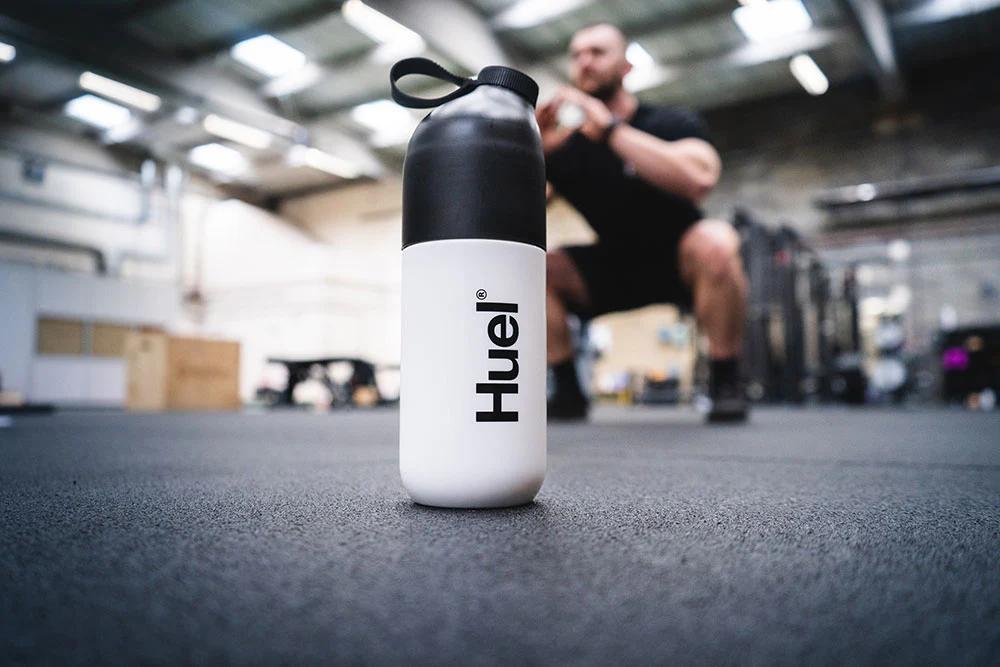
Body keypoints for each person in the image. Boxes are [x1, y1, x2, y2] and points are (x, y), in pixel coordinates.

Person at [538, 22, 748, 423]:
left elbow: (700, 178)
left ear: (627, 67)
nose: (585, 61)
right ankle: (566, 389)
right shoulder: (567, 150)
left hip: (682, 260)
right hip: (614, 266)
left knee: (717, 240)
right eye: (577, 54)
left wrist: (612, 131)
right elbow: (520, 210)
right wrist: (531, 150)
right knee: (534, 267)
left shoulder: (667, 123)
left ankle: (725, 379)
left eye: (598, 52)